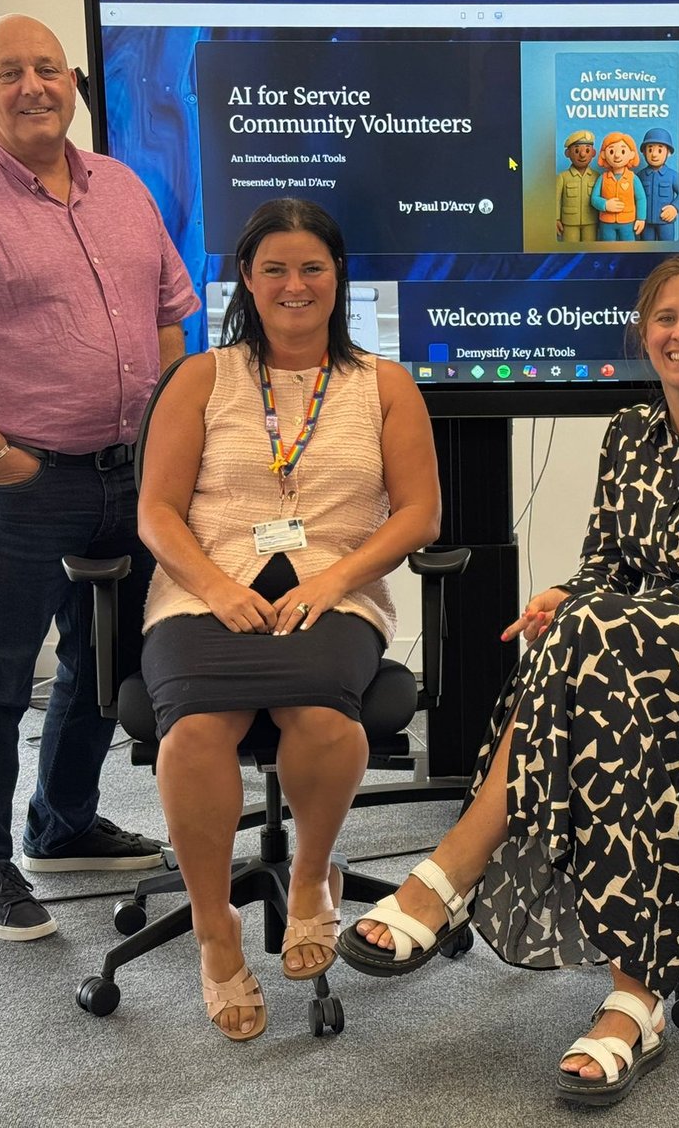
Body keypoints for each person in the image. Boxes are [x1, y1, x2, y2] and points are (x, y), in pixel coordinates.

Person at [335, 254, 679, 1107]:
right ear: (644, 334)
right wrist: (570, 595)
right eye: (666, 319)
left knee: (598, 635)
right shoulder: (630, 433)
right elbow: (607, 563)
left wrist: (609, 617)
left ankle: (453, 870)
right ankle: (634, 999)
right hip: (641, 666)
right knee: (597, 656)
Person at [0, 14, 199, 941]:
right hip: (19, 479)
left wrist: (167, 430)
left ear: (73, 81)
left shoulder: (123, 187)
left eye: (46, 68)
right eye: (7, 71)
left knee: (107, 661)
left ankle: (61, 823)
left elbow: (172, 311)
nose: (31, 86)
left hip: (131, 476)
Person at [137, 198, 440, 1040]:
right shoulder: (202, 377)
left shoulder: (385, 385)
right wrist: (215, 587)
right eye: (274, 268)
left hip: (334, 593)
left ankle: (310, 881)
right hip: (205, 591)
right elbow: (157, 512)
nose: (294, 284)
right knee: (195, 730)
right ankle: (213, 928)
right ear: (247, 278)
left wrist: (337, 578)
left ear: (338, 277)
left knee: (322, 716)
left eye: (312, 267)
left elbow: (418, 515)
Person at [591, 130, 644, 241]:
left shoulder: (633, 178)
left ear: (631, 154)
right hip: (606, 221)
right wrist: (605, 204)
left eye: (623, 151)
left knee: (628, 246)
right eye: (611, 152)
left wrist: (641, 218)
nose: (617, 155)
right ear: (603, 154)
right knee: (607, 246)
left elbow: (641, 199)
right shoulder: (603, 178)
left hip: (627, 221)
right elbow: (594, 198)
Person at [555, 129, 600, 242]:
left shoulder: (597, 176)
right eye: (576, 150)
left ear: (593, 153)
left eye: (587, 150)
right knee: (570, 249)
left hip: (591, 220)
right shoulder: (562, 177)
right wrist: (555, 219)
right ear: (567, 153)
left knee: (590, 249)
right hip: (569, 222)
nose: (582, 154)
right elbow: (556, 200)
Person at [636, 127, 679, 241]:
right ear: (644, 152)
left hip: (666, 222)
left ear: (668, 153)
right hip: (645, 222)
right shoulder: (639, 176)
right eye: (650, 150)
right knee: (646, 249)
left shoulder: (673, 175)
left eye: (660, 150)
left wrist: (675, 208)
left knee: (667, 249)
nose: (654, 155)